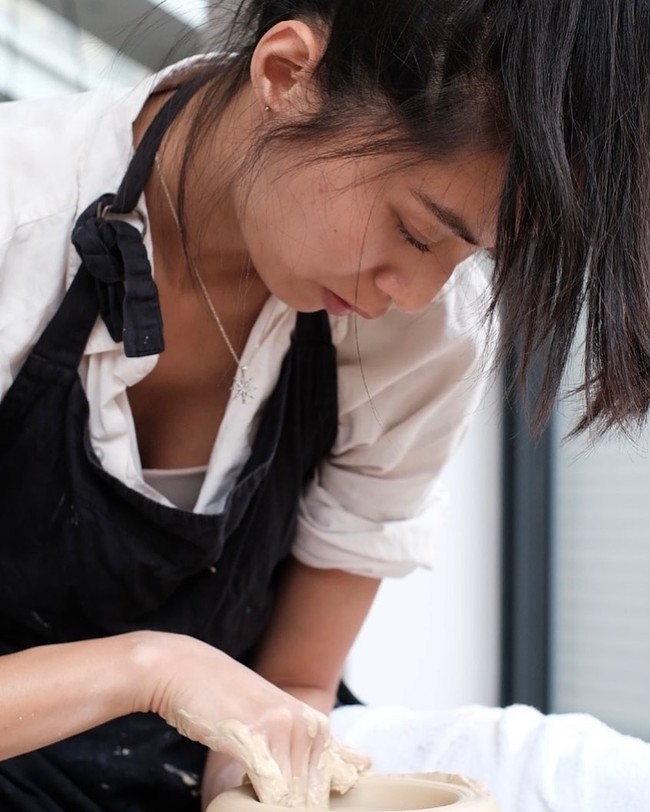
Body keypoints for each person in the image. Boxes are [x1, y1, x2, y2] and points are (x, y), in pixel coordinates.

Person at [0, 1, 647, 810]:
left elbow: (296, 683)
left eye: (466, 254)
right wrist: (149, 671)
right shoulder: (15, 217)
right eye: (414, 232)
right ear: (287, 75)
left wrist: (253, 791)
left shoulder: (424, 341)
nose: (416, 292)